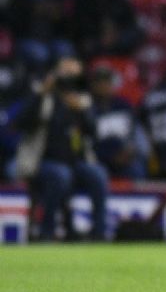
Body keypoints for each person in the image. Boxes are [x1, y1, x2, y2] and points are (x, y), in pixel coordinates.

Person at [13, 57, 109, 241]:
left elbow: (94, 133)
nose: (69, 80)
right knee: (61, 174)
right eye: (66, 74)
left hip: (76, 164)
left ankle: (99, 233)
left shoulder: (82, 101)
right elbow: (21, 123)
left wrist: (82, 111)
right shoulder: (43, 97)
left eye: (74, 75)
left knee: (98, 174)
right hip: (43, 164)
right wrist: (42, 92)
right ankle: (46, 231)